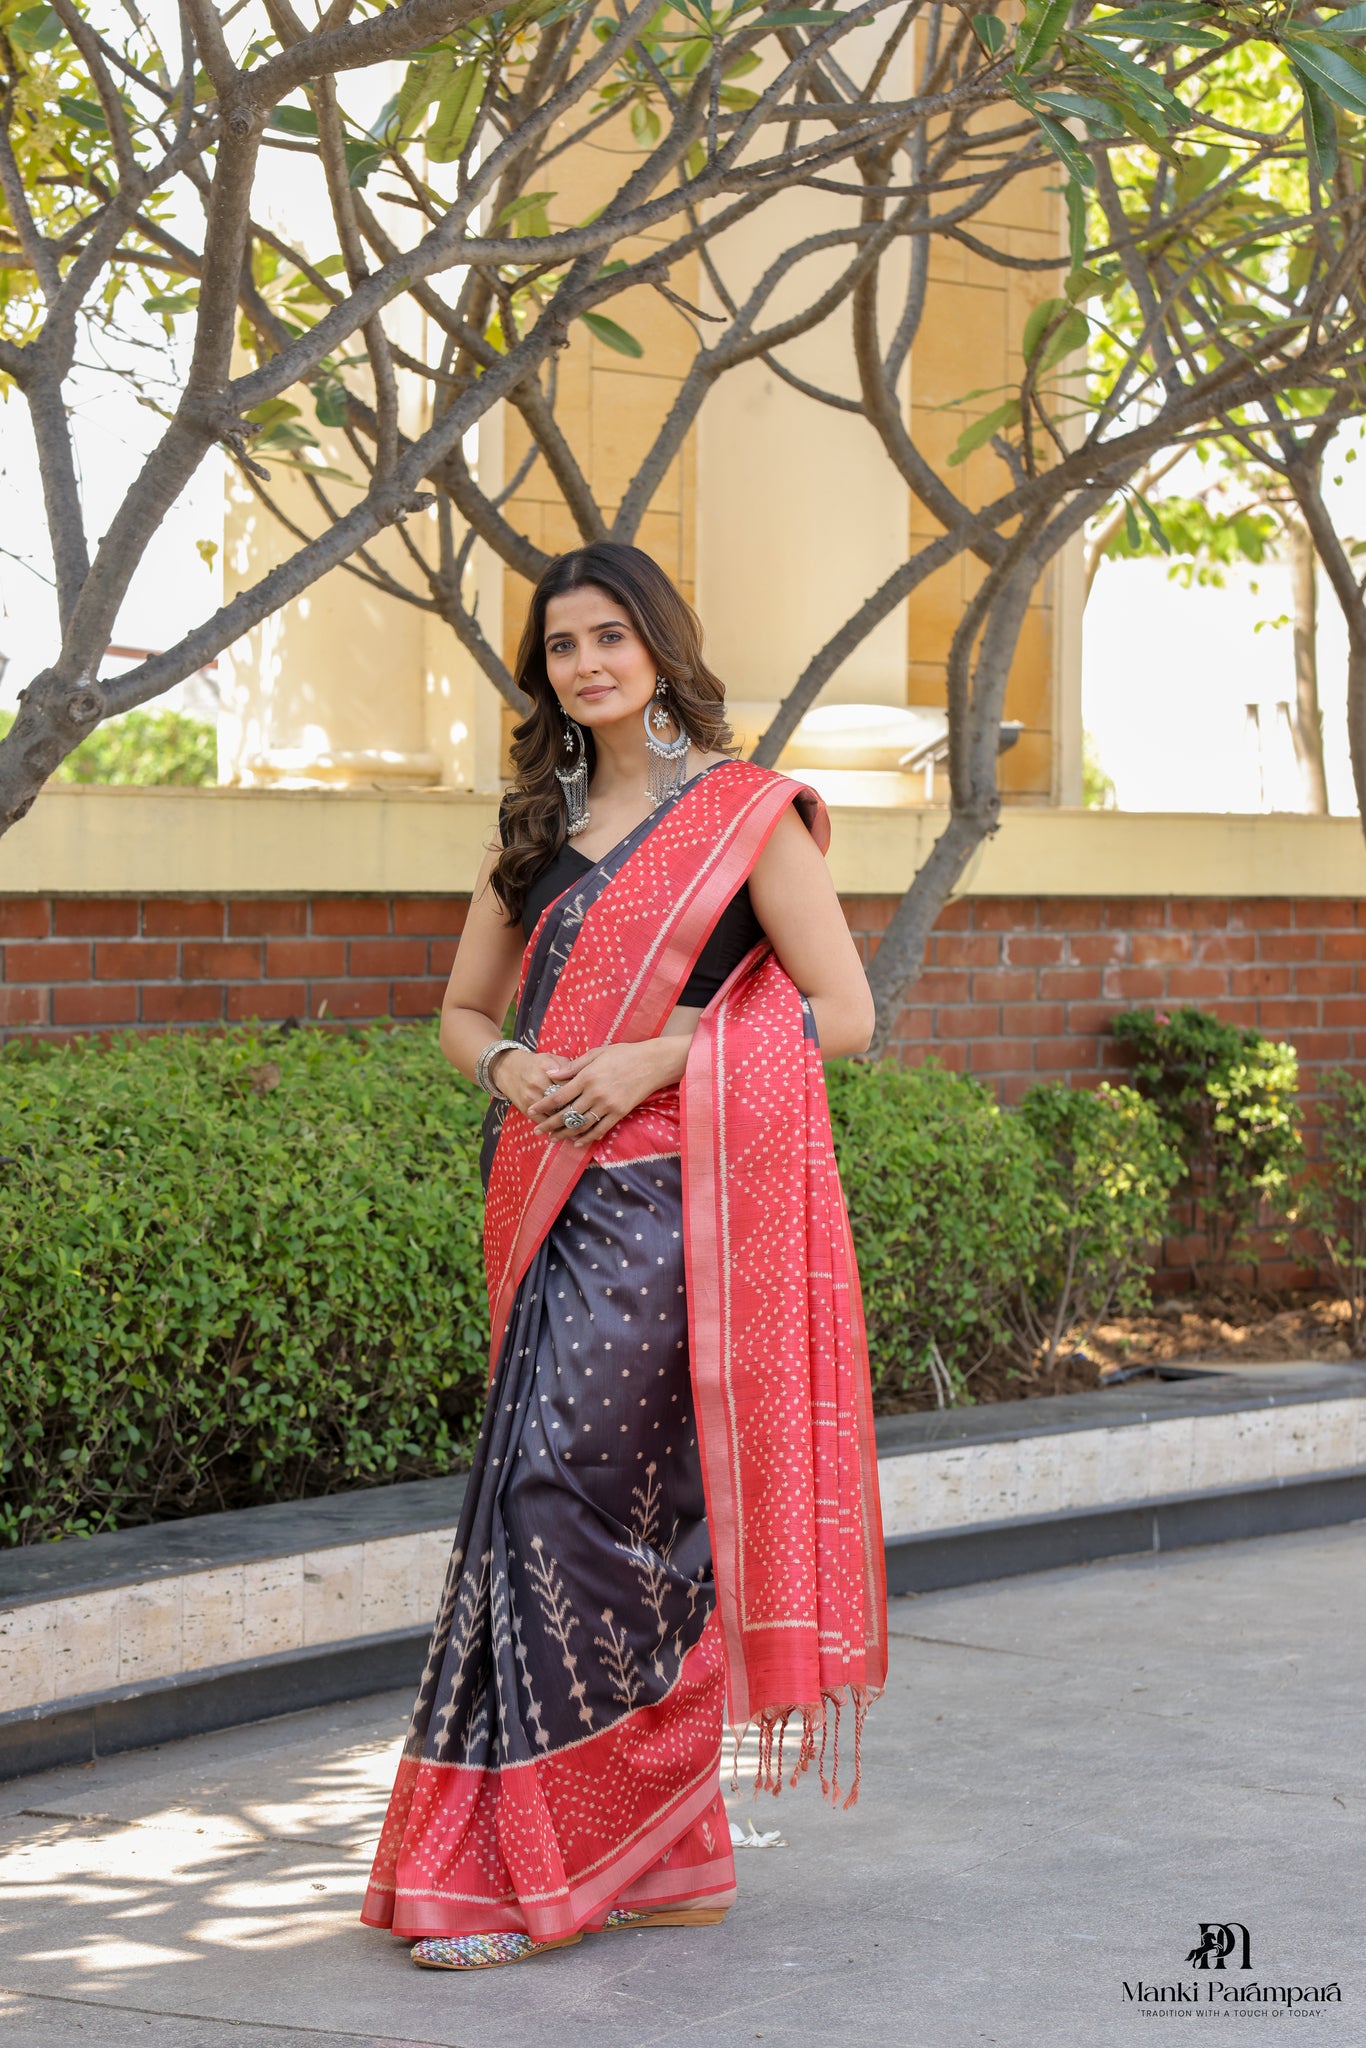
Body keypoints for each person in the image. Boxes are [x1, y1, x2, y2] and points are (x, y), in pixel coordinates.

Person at [361, 542, 887, 1972]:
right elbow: (463, 1015)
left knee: (575, 1510)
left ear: (659, 647)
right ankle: (670, 1847)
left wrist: (663, 1051)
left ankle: (560, 1868)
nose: (585, 664)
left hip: (682, 1219)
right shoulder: (532, 829)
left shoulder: (743, 814)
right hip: (550, 1197)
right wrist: (517, 1069)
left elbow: (841, 1013)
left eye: (609, 637)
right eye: (561, 646)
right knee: (555, 1517)